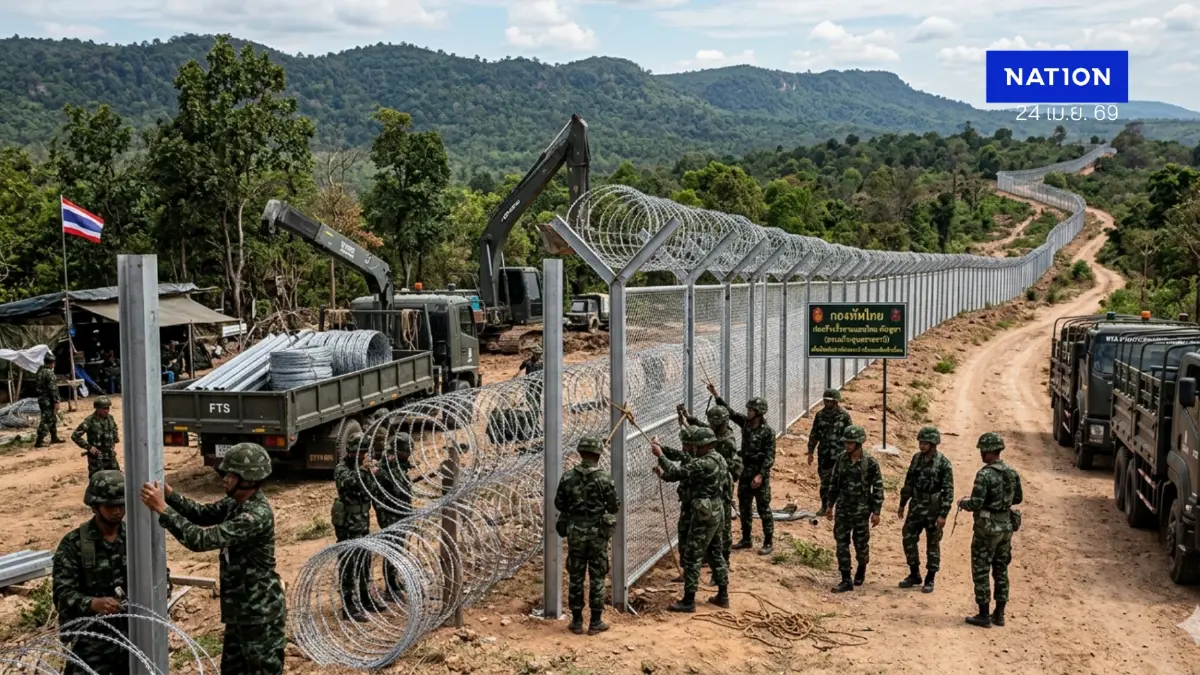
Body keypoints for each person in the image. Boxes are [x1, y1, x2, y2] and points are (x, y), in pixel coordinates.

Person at [140, 443, 286, 674]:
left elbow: (200, 539)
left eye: (230, 474)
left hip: (259, 613)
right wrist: (171, 496)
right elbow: (202, 514)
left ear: (247, 479)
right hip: (241, 609)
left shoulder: (254, 515)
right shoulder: (236, 503)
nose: (224, 479)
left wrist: (163, 510)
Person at [52, 470, 128, 675]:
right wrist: (93, 603)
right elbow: (62, 593)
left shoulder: (134, 538)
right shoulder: (74, 544)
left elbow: (159, 575)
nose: (118, 511)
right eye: (111, 506)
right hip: (90, 642)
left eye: (122, 505)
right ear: (95, 506)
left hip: (130, 638)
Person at [651, 425, 730, 613]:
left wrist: (660, 455)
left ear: (700, 446)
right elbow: (682, 458)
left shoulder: (704, 463)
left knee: (694, 555)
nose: (690, 448)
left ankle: (688, 600)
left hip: (704, 512)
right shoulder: (718, 458)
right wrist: (662, 451)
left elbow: (678, 471)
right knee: (714, 551)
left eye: (693, 445)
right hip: (716, 509)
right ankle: (723, 595)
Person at [554, 435, 620, 635]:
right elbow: (613, 506)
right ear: (598, 454)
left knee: (576, 575)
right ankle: (595, 622)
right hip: (597, 534)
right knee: (597, 576)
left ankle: (576, 621)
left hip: (575, 532)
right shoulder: (604, 478)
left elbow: (559, 504)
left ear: (580, 453)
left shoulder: (567, 477)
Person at [958, 432, 1023, 628]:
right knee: (1001, 570)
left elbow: (977, 503)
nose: (981, 455)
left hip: (987, 530)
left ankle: (984, 615)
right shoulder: (1011, 472)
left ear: (988, 451)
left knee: (981, 569)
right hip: (1006, 527)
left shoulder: (984, 474)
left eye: (982, 451)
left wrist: (963, 503)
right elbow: (1018, 499)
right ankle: (999, 614)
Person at [707, 383, 775, 556]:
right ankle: (746, 539)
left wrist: (761, 475)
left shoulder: (768, 432)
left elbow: (769, 456)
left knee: (763, 508)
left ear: (759, 412)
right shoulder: (745, 423)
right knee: (744, 507)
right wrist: (716, 395)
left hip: (759, 472)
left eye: (751, 410)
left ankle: (768, 541)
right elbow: (729, 412)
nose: (749, 412)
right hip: (746, 470)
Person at [679, 403, 742, 571]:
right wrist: (687, 416)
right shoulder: (713, 433)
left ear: (721, 423)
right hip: (712, 482)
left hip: (722, 484)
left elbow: (726, 468)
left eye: (714, 422)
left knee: (723, 524)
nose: (711, 424)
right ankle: (710, 558)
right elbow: (702, 427)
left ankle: (724, 561)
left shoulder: (727, 441)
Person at [827, 425, 884, 593]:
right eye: (846, 442)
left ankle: (861, 567)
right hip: (843, 508)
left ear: (859, 443)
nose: (847, 446)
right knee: (841, 543)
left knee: (861, 543)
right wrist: (829, 505)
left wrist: (877, 511)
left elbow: (878, 488)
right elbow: (834, 483)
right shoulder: (841, 459)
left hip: (861, 510)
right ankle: (846, 578)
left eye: (850, 443)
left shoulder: (870, 463)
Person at [896, 426, 953, 593]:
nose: (922, 446)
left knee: (933, 543)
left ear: (934, 444)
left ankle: (930, 578)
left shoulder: (943, 463)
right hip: (916, 505)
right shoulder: (916, 459)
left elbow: (948, 490)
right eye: (920, 442)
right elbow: (909, 483)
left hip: (933, 508)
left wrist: (943, 514)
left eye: (925, 443)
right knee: (908, 538)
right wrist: (902, 503)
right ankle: (914, 574)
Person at [333, 432, 378, 620]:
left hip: (362, 520)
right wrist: (363, 470)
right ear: (353, 452)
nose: (366, 455)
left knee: (364, 559)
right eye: (363, 452)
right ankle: (348, 605)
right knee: (349, 562)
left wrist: (371, 472)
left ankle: (366, 598)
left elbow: (372, 489)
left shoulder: (364, 467)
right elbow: (348, 484)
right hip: (348, 523)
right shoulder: (342, 469)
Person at [373, 428, 414, 601]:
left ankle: (395, 581)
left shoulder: (395, 463)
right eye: (406, 452)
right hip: (390, 513)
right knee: (393, 548)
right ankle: (390, 588)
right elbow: (396, 489)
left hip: (399, 511)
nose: (409, 455)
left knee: (398, 548)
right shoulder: (388, 466)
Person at [807, 388, 853, 517]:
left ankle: (841, 508)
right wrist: (810, 451)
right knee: (825, 482)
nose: (827, 404)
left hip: (841, 455)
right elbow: (814, 434)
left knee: (842, 482)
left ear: (836, 402)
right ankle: (825, 506)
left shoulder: (844, 416)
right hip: (825, 455)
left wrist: (851, 454)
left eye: (830, 401)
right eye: (825, 401)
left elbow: (851, 436)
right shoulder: (820, 415)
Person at [71, 396, 121, 477]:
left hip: (110, 456)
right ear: (97, 409)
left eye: (108, 408)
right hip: (97, 459)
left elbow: (114, 429)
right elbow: (75, 436)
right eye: (104, 408)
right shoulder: (89, 421)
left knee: (116, 478)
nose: (106, 410)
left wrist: (114, 440)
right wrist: (89, 447)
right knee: (97, 480)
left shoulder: (110, 418)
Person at [35, 351, 63, 448]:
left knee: (52, 418)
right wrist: (56, 400)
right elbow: (52, 388)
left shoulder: (40, 371)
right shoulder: (49, 373)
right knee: (46, 419)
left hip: (42, 398)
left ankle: (54, 437)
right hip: (48, 399)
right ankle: (39, 441)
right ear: (52, 363)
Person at [518, 344, 544, 410]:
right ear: (533, 353)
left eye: (540, 354)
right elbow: (520, 369)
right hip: (529, 382)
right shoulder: (527, 362)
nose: (539, 355)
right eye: (537, 354)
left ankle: (537, 408)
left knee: (537, 396)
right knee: (529, 396)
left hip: (538, 382)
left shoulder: (542, 362)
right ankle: (531, 409)